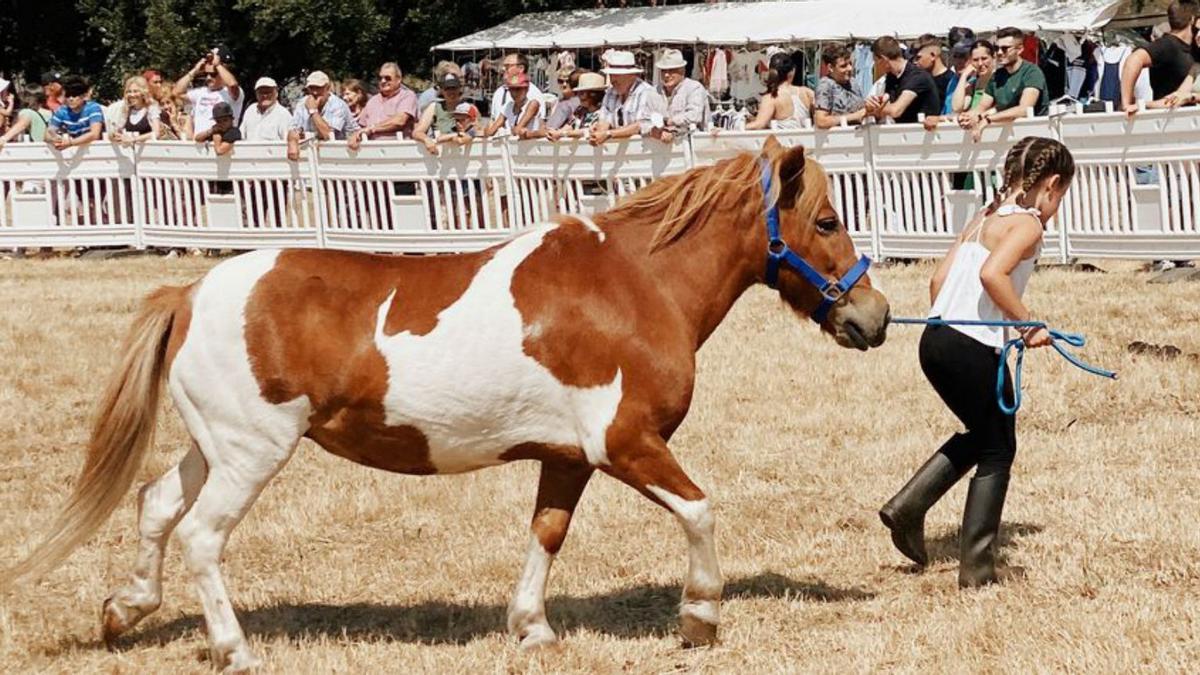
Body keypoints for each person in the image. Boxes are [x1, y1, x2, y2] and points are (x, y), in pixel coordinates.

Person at [879, 137, 1075, 589]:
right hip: (970, 346)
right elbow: (993, 276)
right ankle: (978, 571)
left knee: (986, 434)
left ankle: (908, 507)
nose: (1057, 206)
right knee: (998, 449)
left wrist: (955, 325)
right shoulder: (1027, 225)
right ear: (1051, 184)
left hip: (935, 341)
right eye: (1061, 196)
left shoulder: (981, 219)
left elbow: (937, 280)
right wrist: (1027, 324)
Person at [961, 27, 1048, 141]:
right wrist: (968, 117)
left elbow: (1025, 109)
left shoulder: (1032, 72)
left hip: (1035, 136)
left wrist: (988, 119)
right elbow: (981, 107)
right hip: (1008, 139)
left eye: (1005, 48)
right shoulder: (997, 76)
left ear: (1020, 49)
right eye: (997, 48)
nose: (999, 53)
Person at [1120, 1, 1198, 115]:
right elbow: (1134, 59)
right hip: (1169, 119)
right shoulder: (1168, 45)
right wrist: (1127, 103)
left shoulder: (1191, 48)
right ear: (1192, 19)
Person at [592, 50, 665, 144]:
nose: (612, 80)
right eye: (611, 75)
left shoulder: (646, 92)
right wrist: (598, 132)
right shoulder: (610, 92)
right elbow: (604, 120)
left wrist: (609, 134)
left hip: (643, 151)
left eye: (617, 75)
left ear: (632, 75)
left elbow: (640, 125)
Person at [286, 70, 360, 161]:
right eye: (311, 88)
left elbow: (327, 135)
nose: (315, 92)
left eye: (318, 88)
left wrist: (313, 111)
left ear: (327, 88)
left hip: (348, 156)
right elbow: (293, 129)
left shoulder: (338, 105)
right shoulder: (302, 103)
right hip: (318, 158)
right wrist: (292, 141)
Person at [868, 36, 942, 124]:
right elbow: (885, 107)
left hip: (925, 134)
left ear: (884, 59)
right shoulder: (891, 78)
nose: (875, 66)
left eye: (876, 61)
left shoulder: (917, 76)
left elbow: (896, 111)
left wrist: (873, 109)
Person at [173, 48, 243, 140]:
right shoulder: (200, 93)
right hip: (200, 145)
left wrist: (218, 65)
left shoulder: (232, 93)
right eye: (206, 74)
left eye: (213, 74)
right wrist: (195, 70)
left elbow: (233, 84)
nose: (208, 78)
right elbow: (176, 92)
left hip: (223, 144)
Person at [351, 62, 419, 145]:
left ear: (399, 79)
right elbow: (361, 126)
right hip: (372, 150)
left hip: (399, 150)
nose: (383, 81)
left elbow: (399, 121)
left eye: (387, 78)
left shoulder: (407, 96)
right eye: (380, 78)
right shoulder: (372, 101)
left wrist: (372, 128)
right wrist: (355, 135)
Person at [747, 52, 816, 130]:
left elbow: (759, 124)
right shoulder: (807, 93)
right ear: (793, 71)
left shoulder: (771, 97)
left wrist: (738, 127)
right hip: (806, 141)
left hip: (781, 141)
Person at [814, 43, 874, 129]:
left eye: (850, 64)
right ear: (830, 67)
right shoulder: (825, 86)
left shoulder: (853, 82)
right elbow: (821, 121)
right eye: (843, 66)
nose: (849, 68)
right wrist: (855, 116)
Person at [412, 72, 473, 155]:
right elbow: (417, 132)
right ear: (441, 90)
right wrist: (426, 140)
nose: (451, 92)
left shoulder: (469, 107)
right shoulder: (434, 107)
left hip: (463, 155)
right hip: (440, 154)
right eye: (447, 88)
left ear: (459, 89)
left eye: (454, 88)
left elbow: (478, 130)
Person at [655, 48, 709, 141]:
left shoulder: (694, 88)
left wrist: (668, 122)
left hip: (692, 145)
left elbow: (694, 116)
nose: (666, 75)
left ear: (682, 71)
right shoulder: (655, 91)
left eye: (671, 70)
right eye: (663, 71)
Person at [544, 71, 606, 142]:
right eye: (578, 92)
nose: (579, 96)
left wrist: (562, 134)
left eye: (582, 93)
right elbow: (570, 125)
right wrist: (556, 133)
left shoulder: (603, 113)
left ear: (593, 94)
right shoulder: (580, 110)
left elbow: (587, 131)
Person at [46, 76, 104, 150]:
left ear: (84, 96)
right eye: (68, 95)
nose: (70, 99)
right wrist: (55, 139)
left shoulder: (93, 108)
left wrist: (71, 143)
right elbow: (47, 134)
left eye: (74, 95)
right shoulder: (62, 111)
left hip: (95, 150)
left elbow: (95, 134)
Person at [106, 75, 162, 144]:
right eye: (129, 91)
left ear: (143, 93)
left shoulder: (151, 108)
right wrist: (114, 135)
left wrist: (134, 139)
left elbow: (156, 133)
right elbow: (118, 129)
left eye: (136, 91)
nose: (132, 95)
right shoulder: (126, 110)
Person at [484, 72, 541, 139]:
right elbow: (491, 131)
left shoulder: (533, 104)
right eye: (511, 89)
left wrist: (502, 131)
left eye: (518, 89)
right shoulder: (508, 106)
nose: (514, 93)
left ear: (526, 89)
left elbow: (518, 130)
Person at [491, 53, 545, 119]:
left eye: (507, 66)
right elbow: (493, 119)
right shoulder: (499, 91)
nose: (503, 69)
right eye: (503, 66)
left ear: (521, 68)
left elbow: (540, 123)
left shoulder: (533, 93)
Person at [239, 77, 291, 141]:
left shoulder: (283, 114)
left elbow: (288, 141)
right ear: (256, 94)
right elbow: (241, 136)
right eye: (261, 92)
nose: (265, 96)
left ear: (276, 93)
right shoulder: (250, 110)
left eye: (268, 92)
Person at [913, 34, 953, 104]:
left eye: (918, 57)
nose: (915, 62)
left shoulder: (950, 81)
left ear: (932, 56)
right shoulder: (920, 79)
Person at [543, 67, 581, 132]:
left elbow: (550, 127)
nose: (564, 84)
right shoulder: (556, 101)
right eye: (561, 81)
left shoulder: (569, 104)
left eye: (568, 81)